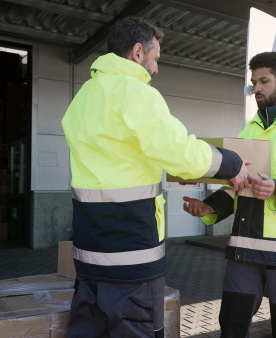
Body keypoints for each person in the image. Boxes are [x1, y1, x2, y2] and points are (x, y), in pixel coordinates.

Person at [61, 16, 252, 338]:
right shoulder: (135, 93)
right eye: (156, 58)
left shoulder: (84, 97)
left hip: (89, 248)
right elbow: (178, 152)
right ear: (138, 52)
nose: (156, 69)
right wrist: (232, 164)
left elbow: (123, 158)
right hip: (131, 248)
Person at [183, 51, 276, 338]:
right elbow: (238, 182)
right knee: (231, 322)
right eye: (254, 83)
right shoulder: (250, 127)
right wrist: (209, 208)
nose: (258, 88)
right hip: (246, 245)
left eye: (264, 81)